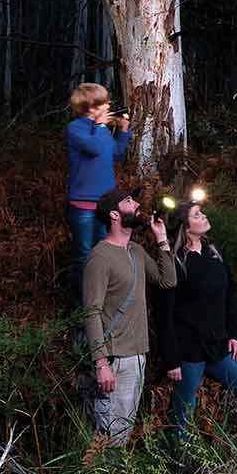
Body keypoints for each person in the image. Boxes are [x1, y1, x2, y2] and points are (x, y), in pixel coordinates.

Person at [155, 198, 237, 451]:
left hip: (218, 347)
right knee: (184, 413)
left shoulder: (213, 253)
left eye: (201, 213)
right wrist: (171, 358)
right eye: (197, 215)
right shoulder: (177, 261)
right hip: (188, 351)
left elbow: (230, 296)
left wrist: (233, 335)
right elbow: (164, 313)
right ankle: (178, 466)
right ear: (185, 227)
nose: (203, 216)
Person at [81, 186, 175, 445]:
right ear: (114, 214)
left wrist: (162, 239)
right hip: (114, 360)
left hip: (138, 355)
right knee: (108, 436)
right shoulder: (99, 257)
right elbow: (91, 313)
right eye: (128, 201)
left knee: (121, 434)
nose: (135, 204)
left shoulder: (135, 251)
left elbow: (167, 281)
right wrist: (101, 364)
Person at [64, 83, 131, 295]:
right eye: (104, 103)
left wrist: (123, 130)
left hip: (105, 204)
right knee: (84, 256)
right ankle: (80, 307)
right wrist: (102, 127)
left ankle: (102, 298)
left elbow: (116, 154)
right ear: (90, 108)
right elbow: (94, 149)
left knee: (105, 253)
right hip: (82, 205)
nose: (109, 105)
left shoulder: (100, 131)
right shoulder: (75, 128)